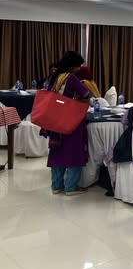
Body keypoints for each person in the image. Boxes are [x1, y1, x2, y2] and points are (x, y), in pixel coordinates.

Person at [44, 51, 90, 196]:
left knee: (57, 152)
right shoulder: (71, 78)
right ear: (72, 66)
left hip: (54, 120)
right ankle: (70, 187)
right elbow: (85, 94)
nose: (79, 69)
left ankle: (56, 186)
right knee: (73, 152)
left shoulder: (55, 77)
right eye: (78, 66)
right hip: (69, 120)